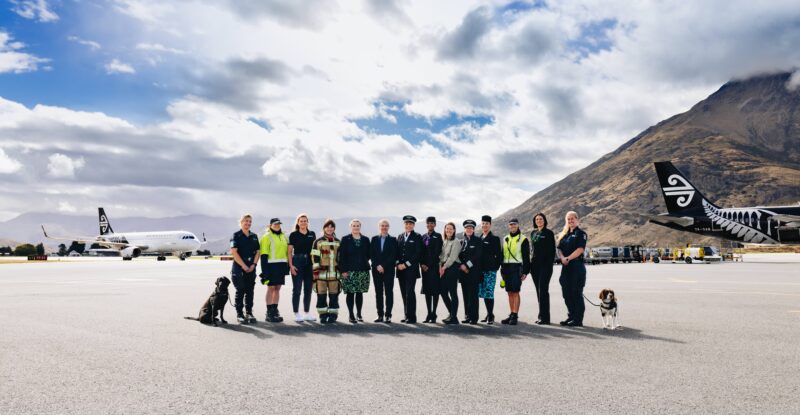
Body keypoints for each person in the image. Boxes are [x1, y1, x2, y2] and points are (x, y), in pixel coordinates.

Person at [557, 211, 588, 327]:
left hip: (576, 266)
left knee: (576, 293)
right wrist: (562, 258)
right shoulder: (564, 235)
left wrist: (568, 258)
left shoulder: (581, 234)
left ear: (577, 220)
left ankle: (578, 319)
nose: (570, 221)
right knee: (566, 293)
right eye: (568, 219)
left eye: (572, 219)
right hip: (566, 267)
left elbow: (580, 249)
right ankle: (571, 316)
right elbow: (559, 249)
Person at [339, 219, 371, 324]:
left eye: (357, 226)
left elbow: (369, 254)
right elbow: (342, 256)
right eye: (354, 225)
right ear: (351, 227)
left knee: (359, 293)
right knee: (350, 293)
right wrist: (343, 270)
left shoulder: (366, 239)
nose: (356, 227)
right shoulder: (345, 239)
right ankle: (351, 315)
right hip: (349, 271)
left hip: (362, 271)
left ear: (360, 227)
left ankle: (359, 314)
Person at [230, 214, 260, 324]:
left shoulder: (254, 236)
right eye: (246, 221)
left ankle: (249, 313)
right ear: (241, 222)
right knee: (240, 290)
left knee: (250, 291)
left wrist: (253, 265)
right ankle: (240, 314)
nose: (248, 223)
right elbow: (234, 252)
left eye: (250, 221)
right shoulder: (236, 235)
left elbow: (258, 252)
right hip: (239, 268)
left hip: (251, 267)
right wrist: (243, 266)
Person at [500, 218, 530, 325]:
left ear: (518, 225)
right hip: (506, 268)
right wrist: (501, 269)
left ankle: (515, 315)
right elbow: (502, 254)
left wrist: (525, 271)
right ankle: (511, 313)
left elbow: (526, 257)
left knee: (515, 292)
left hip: (517, 268)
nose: (512, 226)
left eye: (514, 224)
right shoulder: (505, 238)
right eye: (511, 224)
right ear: (509, 226)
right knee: (509, 292)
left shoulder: (523, 239)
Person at [311, 219, 341, 324]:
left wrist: (341, 271)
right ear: (324, 228)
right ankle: (323, 315)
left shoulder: (338, 242)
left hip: (334, 275)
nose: (329, 229)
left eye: (332, 227)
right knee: (321, 296)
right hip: (321, 275)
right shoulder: (318, 242)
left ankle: (333, 315)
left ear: (334, 229)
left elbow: (341, 258)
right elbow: (314, 257)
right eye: (327, 227)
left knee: (334, 296)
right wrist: (315, 272)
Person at [288, 214, 317, 322]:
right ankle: (296, 313)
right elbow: (289, 252)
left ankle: (307, 312)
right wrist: (291, 266)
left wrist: (315, 265)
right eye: (301, 221)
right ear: (298, 222)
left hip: (309, 263)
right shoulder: (293, 235)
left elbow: (315, 250)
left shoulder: (312, 234)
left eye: (305, 221)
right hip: (297, 262)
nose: (303, 222)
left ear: (307, 222)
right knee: (297, 289)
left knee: (308, 289)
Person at [259, 218, 289, 323]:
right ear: (270, 225)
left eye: (278, 224)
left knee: (277, 289)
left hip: (281, 266)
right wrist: (264, 272)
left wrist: (287, 267)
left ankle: (275, 310)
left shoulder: (284, 236)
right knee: (271, 288)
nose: (277, 225)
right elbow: (263, 256)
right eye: (275, 224)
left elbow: (287, 252)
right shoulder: (266, 237)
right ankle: (269, 313)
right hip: (270, 266)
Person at [370, 219, 398, 323]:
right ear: (379, 227)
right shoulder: (374, 239)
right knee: (378, 293)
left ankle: (388, 315)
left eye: (386, 225)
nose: (384, 227)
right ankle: (380, 315)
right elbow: (371, 254)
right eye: (382, 225)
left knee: (389, 292)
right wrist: (377, 265)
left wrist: (383, 266)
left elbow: (393, 255)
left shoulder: (393, 240)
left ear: (388, 227)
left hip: (389, 270)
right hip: (376, 269)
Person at [530, 213, 556, 325]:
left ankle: (545, 318)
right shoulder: (533, 233)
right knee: (538, 291)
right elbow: (532, 250)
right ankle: (541, 315)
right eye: (537, 219)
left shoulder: (549, 233)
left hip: (545, 266)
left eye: (541, 219)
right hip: (534, 266)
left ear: (544, 220)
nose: (539, 221)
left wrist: (549, 264)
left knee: (543, 291)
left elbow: (552, 251)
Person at [396, 215, 422, 324]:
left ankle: (412, 317)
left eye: (410, 224)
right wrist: (398, 263)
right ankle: (406, 315)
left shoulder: (417, 236)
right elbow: (396, 252)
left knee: (410, 292)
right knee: (403, 293)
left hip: (411, 270)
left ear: (413, 225)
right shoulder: (400, 236)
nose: (408, 225)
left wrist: (405, 265)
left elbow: (418, 254)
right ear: (404, 225)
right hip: (400, 270)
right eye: (406, 223)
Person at [478, 215, 502, 324]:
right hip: (480, 271)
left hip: (490, 271)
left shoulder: (494, 239)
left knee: (489, 293)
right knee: (483, 293)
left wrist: (495, 268)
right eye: (483, 223)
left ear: (490, 225)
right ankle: (488, 313)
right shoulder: (479, 238)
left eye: (487, 223)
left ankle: (491, 315)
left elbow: (499, 256)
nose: (484, 225)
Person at [458, 219, 483, 325]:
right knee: (465, 295)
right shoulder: (461, 241)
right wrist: (461, 266)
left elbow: (477, 256)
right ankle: (467, 316)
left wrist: (467, 265)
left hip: (473, 273)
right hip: (463, 273)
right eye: (467, 228)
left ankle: (474, 317)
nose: (469, 229)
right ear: (464, 229)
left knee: (473, 296)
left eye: (471, 228)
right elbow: (459, 256)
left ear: (473, 229)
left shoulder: (478, 241)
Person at [420, 216, 443, 323]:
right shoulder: (423, 237)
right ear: (426, 224)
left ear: (435, 224)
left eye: (432, 223)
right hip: (424, 269)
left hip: (434, 268)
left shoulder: (438, 236)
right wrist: (422, 264)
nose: (430, 224)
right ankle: (429, 313)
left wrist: (429, 265)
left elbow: (438, 252)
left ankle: (434, 313)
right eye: (428, 223)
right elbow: (420, 252)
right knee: (427, 291)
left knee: (435, 291)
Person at [438, 222, 461, 325]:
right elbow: (441, 256)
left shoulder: (456, 242)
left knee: (453, 293)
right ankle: (452, 314)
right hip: (444, 267)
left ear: (454, 230)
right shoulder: (445, 241)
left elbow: (452, 257)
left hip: (452, 268)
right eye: (447, 229)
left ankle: (453, 317)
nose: (449, 230)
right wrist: (440, 266)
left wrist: (444, 267)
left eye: (451, 229)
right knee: (443, 292)